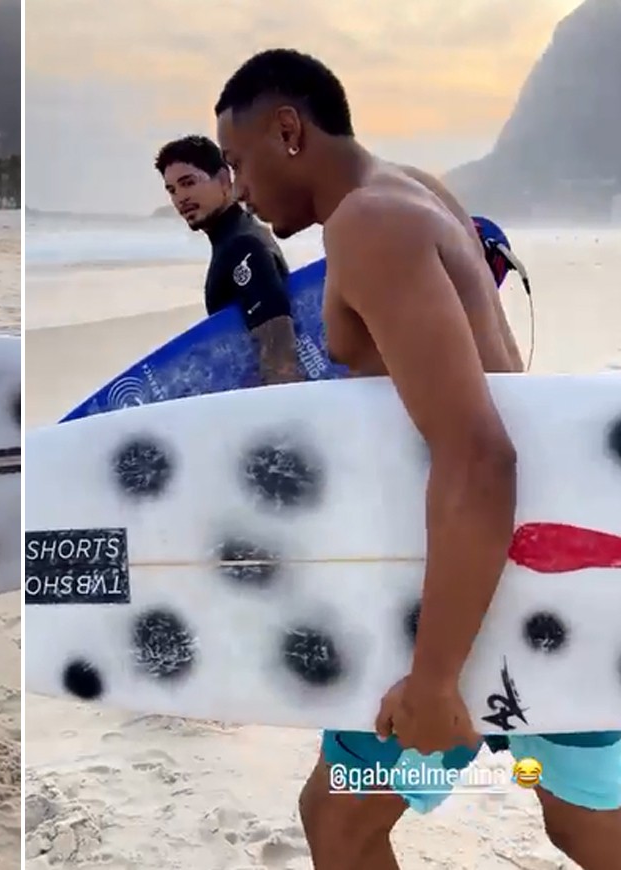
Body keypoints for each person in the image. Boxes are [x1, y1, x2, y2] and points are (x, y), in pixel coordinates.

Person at [215, 48, 621, 870]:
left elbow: (477, 453)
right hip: (543, 555)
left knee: (339, 822)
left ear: (288, 129)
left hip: (473, 574)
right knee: (584, 826)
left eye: (237, 161)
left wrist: (436, 677)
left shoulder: (369, 223)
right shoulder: (419, 190)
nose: (239, 188)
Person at [154, 134, 303, 384]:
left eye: (188, 183)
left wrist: (279, 417)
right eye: (172, 190)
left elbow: (279, 351)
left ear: (223, 179)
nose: (180, 197)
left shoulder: (243, 247)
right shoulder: (244, 236)